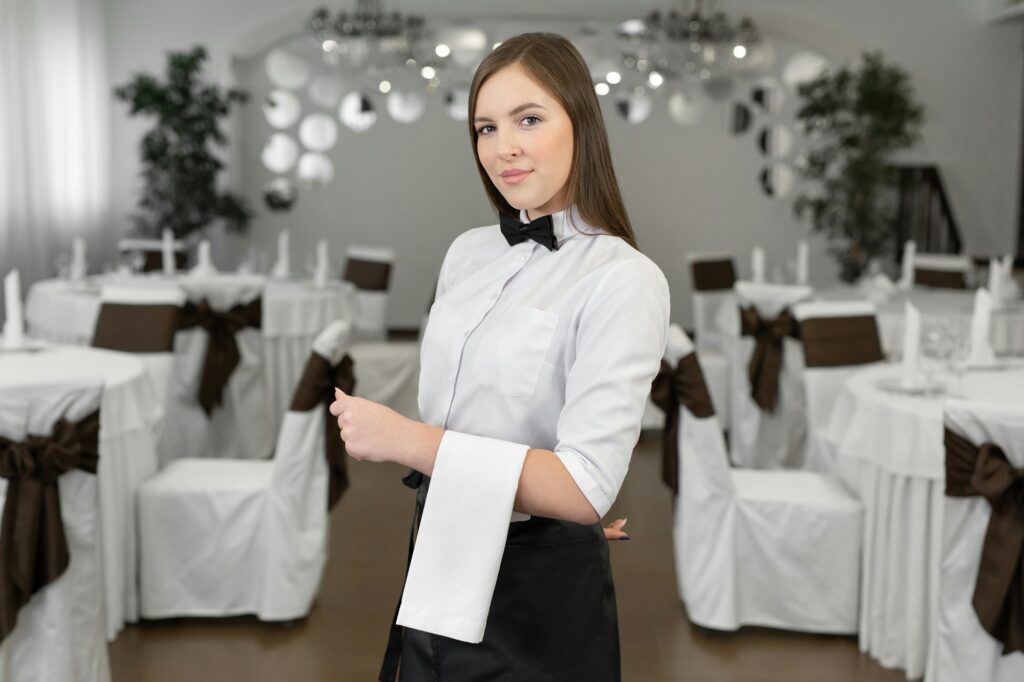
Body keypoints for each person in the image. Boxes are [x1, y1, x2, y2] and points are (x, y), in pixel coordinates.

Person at [329, 32, 670, 681]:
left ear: (581, 124)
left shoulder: (625, 280)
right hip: (442, 545)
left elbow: (583, 488)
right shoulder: (466, 253)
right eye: (486, 127)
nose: (502, 146)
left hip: (535, 589)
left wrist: (406, 441)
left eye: (528, 119)